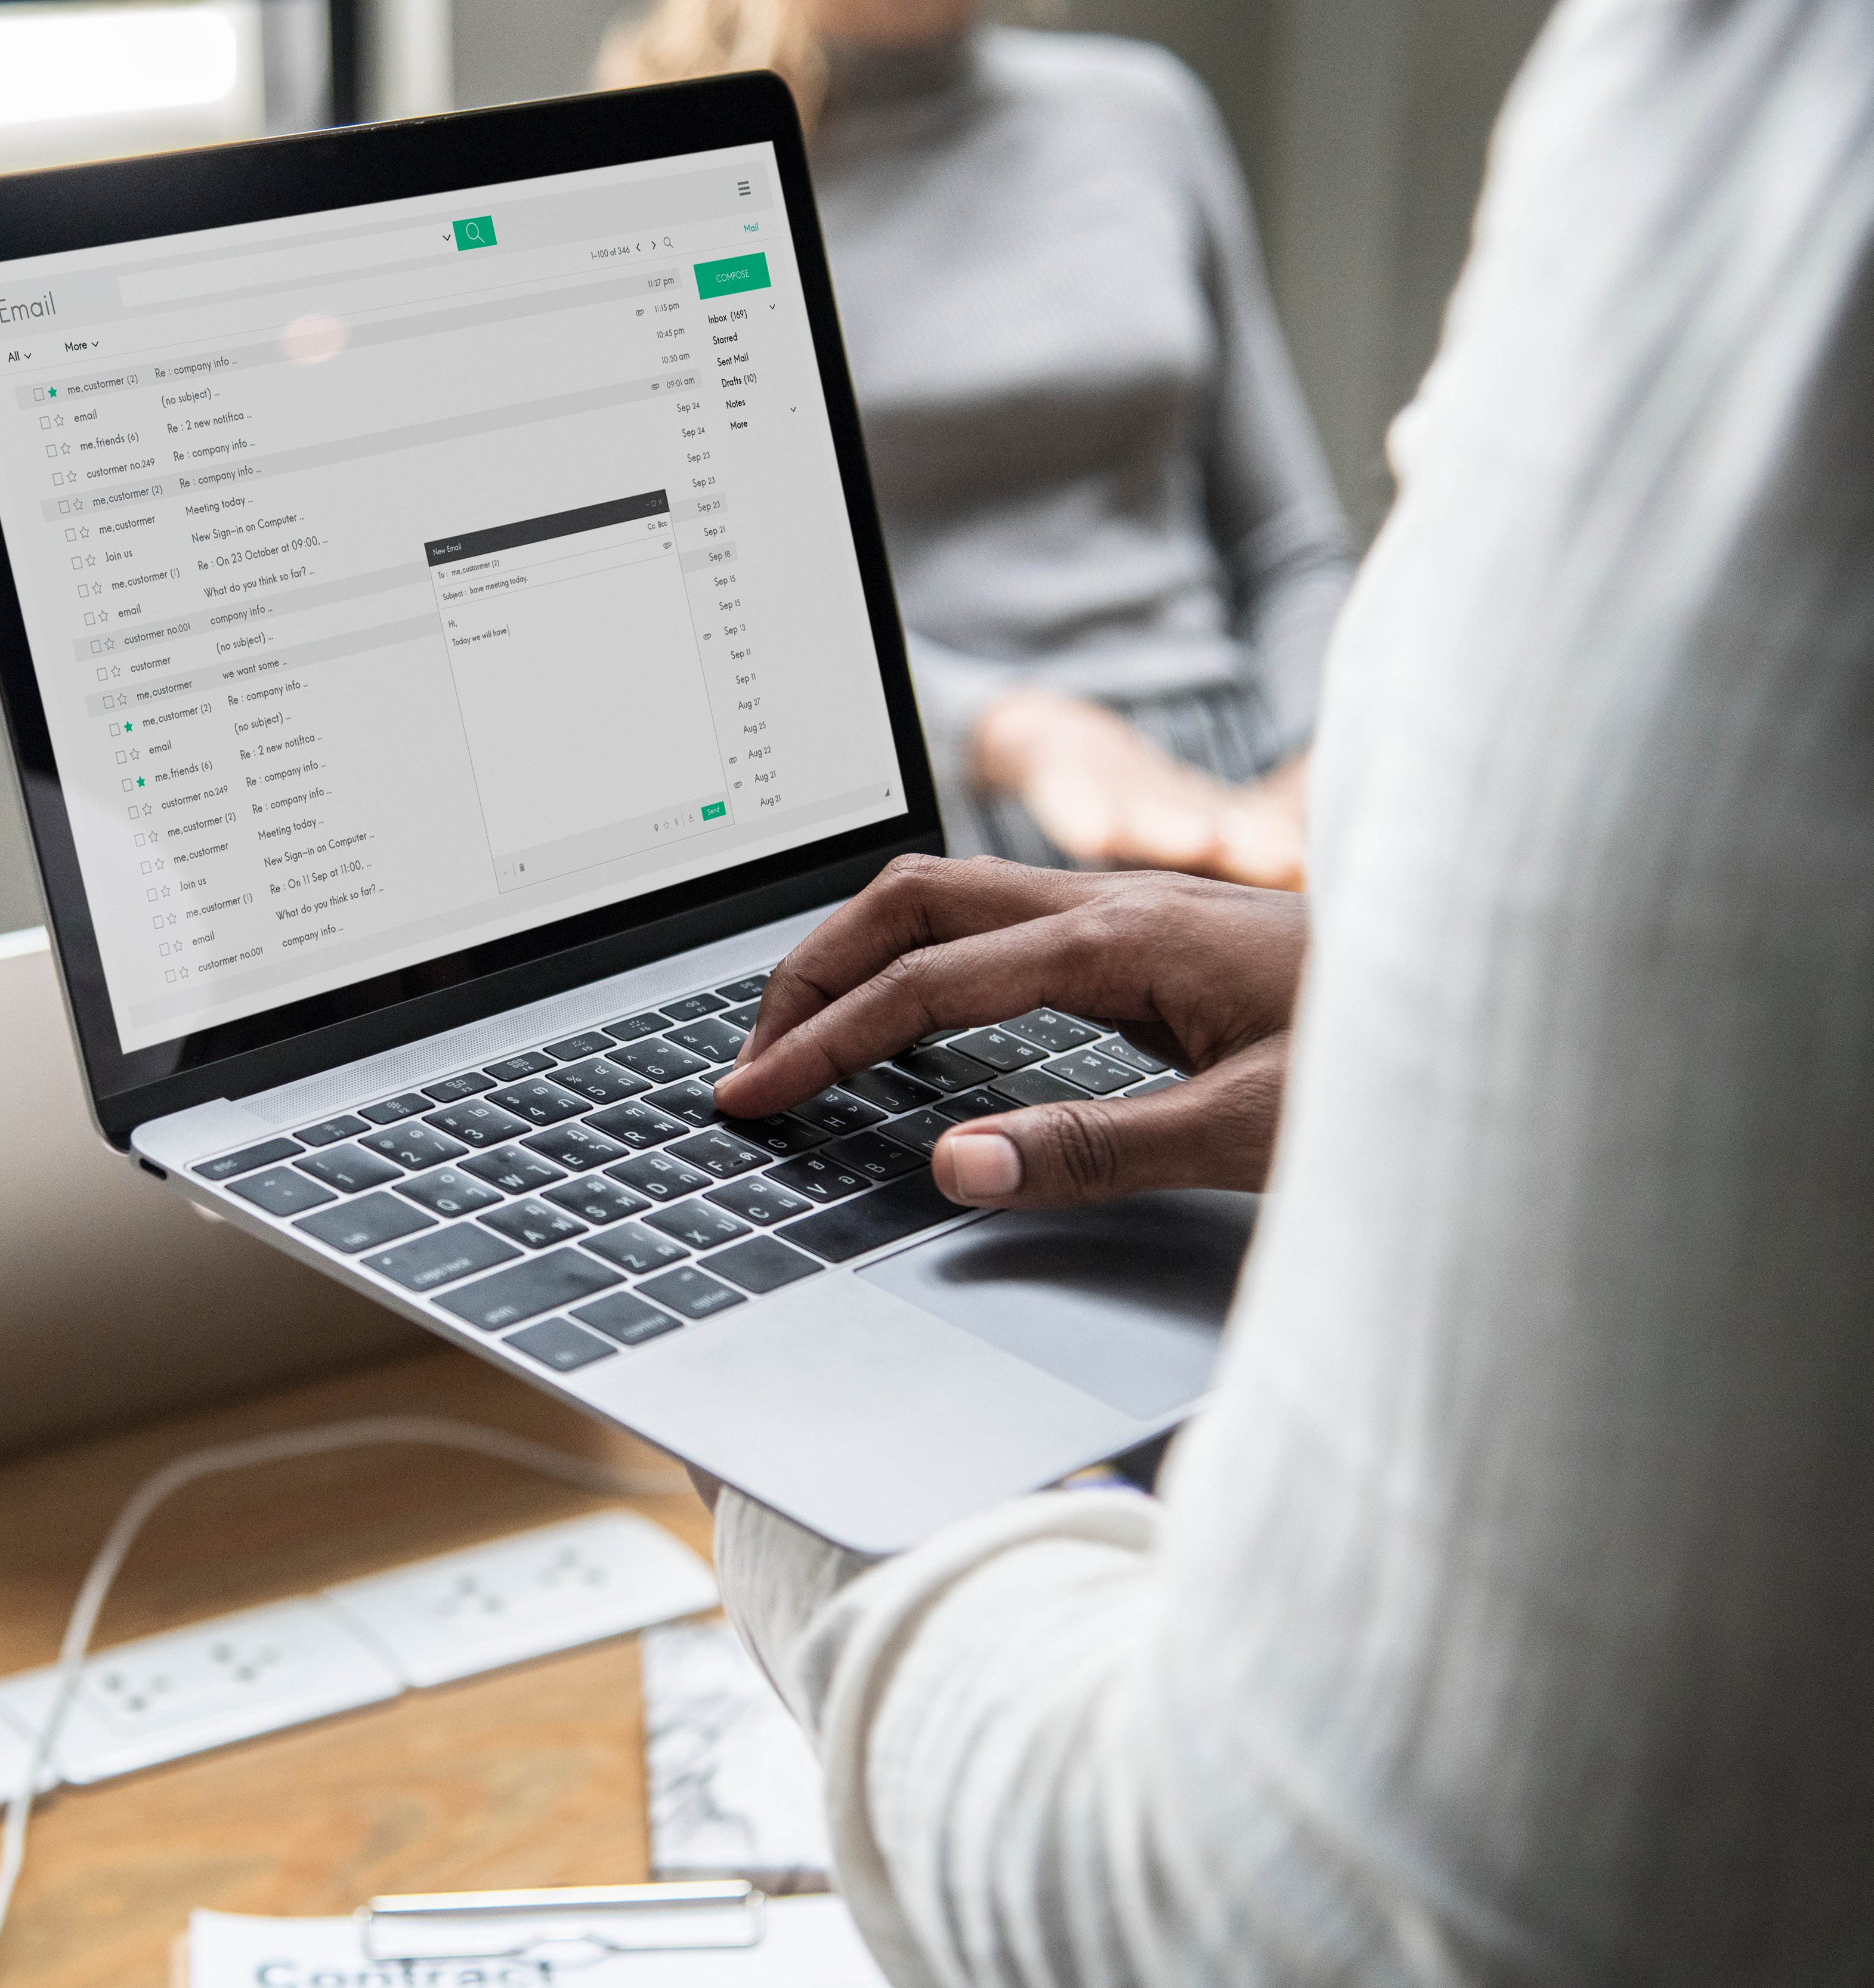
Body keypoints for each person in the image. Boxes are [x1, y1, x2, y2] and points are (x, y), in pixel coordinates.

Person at [694, 0, 1874, 1977]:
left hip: (1264, 795)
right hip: (1004, 816)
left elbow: (1293, 1916)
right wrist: (1407, 983)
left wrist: (773, 1433)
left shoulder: (1768, 142)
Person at [599, 0, 1353, 886]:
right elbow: (728, 612)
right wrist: (1012, 735)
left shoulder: (1147, 111)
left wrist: (1318, 776)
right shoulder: (683, 160)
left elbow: (1291, 546)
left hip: (1242, 794)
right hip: (941, 824)